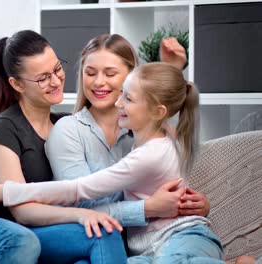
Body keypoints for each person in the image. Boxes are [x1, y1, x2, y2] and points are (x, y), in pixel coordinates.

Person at [0, 62, 225, 263]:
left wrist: (6, 191)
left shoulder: (151, 151)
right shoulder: (146, 137)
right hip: (144, 249)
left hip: (179, 237)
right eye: (90, 72)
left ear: (158, 112)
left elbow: (78, 188)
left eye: (128, 98)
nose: (118, 103)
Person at [0, 30, 128, 264]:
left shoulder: (66, 126)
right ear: (17, 84)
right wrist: (82, 215)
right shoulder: (5, 126)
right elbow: (22, 211)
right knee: (21, 243)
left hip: (26, 233)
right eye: (42, 78)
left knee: (103, 232)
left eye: (58, 69)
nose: (56, 81)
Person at [45, 34, 209, 226]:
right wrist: (148, 208)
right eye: (90, 73)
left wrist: (198, 206)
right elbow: (83, 210)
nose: (98, 82)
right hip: (101, 242)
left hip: (157, 240)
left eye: (110, 74)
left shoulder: (153, 134)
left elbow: (177, 189)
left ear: (132, 76)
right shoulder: (68, 130)